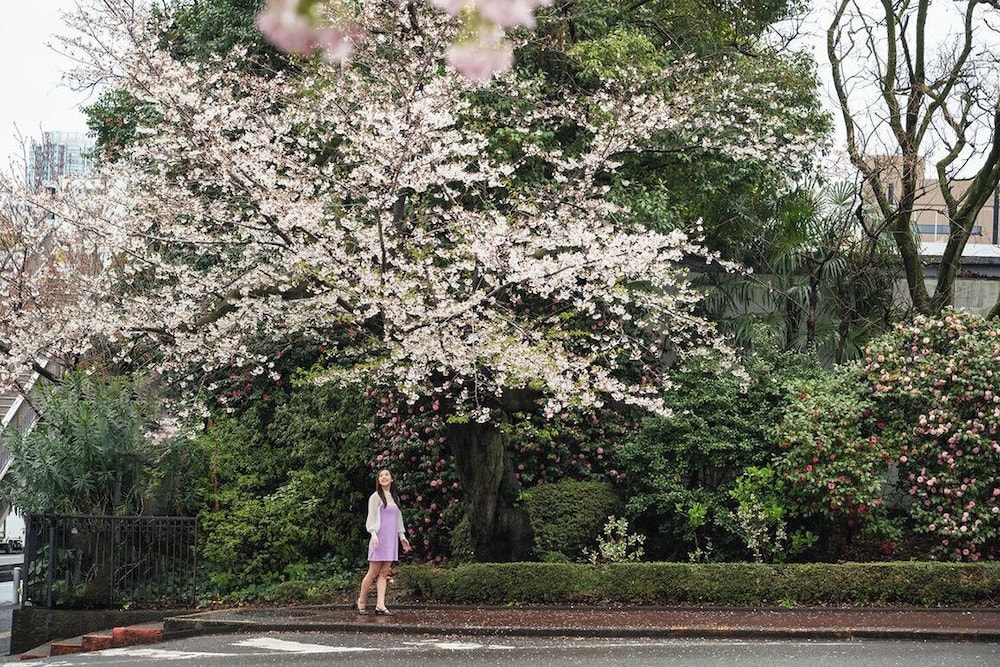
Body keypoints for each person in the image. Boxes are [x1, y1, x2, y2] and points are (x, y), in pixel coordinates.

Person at [356, 468, 411, 615]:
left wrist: (402, 537)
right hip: (378, 539)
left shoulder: (395, 498)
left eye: (387, 475)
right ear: (378, 480)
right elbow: (371, 518)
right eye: (381, 475)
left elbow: (398, 520)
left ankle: (380, 604)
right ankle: (362, 600)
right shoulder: (375, 497)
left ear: (392, 479)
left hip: (391, 539)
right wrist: (373, 534)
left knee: (385, 572)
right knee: (373, 572)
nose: (384, 477)